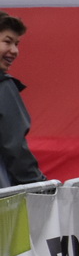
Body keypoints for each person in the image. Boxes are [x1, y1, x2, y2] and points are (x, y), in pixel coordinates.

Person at [0, 13, 44, 185]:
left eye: (16, 44)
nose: (15, 51)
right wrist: (38, 185)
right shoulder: (3, 86)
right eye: (7, 41)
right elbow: (15, 147)